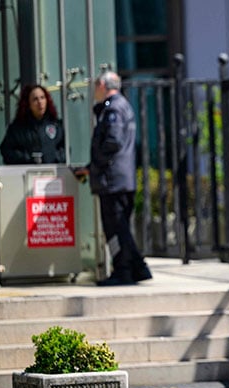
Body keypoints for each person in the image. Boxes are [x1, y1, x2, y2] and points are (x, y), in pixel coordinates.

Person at [75, 71, 152, 286]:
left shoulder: (113, 108)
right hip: (118, 178)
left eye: (95, 86)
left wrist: (96, 164)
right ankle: (138, 268)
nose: (93, 91)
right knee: (121, 227)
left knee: (115, 228)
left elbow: (112, 141)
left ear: (102, 85)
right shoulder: (121, 106)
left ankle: (123, 271)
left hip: (113, 180)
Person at [0, 84, 66, 164]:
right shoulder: (18, 128)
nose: (40, 102)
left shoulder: (56, 125)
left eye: (42, 98)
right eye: (35, 99)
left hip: (52, 173)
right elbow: (7, 151)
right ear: (28, 104)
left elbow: (65, 149)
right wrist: (28, 159)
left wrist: (52, 157)